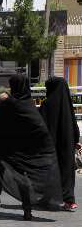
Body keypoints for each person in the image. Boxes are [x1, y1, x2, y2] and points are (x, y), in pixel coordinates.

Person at [0, 75, 62, 220]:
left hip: (6, 150)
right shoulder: (29, 104)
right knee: (22, 180)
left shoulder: (10, 104)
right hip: (24, 151)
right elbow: (39, 130)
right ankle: (27, 211)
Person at [39, 77, 81, 211]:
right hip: (67, 144)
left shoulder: (47, 104)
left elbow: (41, 125)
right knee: (67, 171)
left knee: (52, 171)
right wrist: (76, 141)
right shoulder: (67, 104)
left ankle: (51, 198)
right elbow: (74, 125)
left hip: (51, 145)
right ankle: (69, 199)